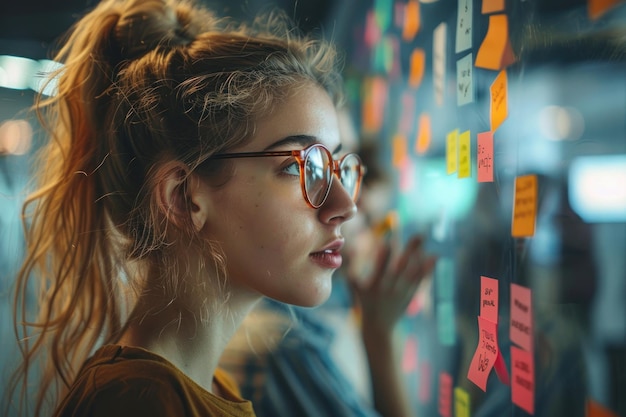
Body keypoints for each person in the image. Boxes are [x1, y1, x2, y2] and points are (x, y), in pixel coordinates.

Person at [5, 0, 369, 416]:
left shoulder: (202, 386)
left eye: (336, 167)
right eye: (297, 166)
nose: (345, 206)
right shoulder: (140, 401)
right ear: (183, 197)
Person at [220, 115, 437, 417]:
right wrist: (380, 339)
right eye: (304, 168)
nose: (349, 204)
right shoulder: (285, 346)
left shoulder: (313, 318)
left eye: (344, 166)